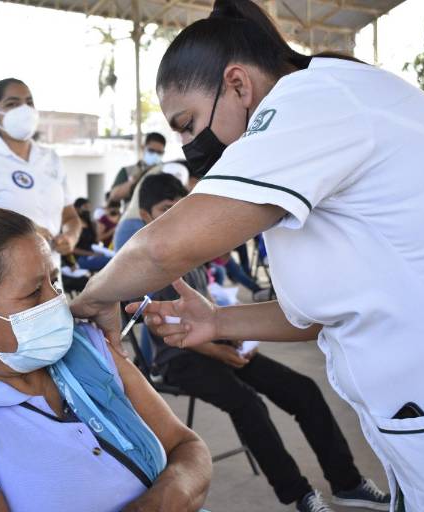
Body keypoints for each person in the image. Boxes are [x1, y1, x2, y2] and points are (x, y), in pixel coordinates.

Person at [70, 2, 424, 511]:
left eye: (187, 125)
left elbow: (162, 248)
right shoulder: (328, 113)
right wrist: (217, 320)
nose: (188, 146)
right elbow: (329, 313)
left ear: (238, 85)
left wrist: (93, 298)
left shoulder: (310, 100)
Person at [0, 207, 211, 512]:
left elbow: (187, 447)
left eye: (54, 281)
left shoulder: (88, 348)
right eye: (34, 293)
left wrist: (165, 499)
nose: (58, 302)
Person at [139, 173, 389, 511]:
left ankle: (348, 482)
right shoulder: (147, 261)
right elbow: (160, 329)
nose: (172, 215)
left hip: (216, 344)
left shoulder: (187, 250)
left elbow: (207, 308)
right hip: (179, 360)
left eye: (178, 207)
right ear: (145, 216)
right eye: (164, 209)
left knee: (303, 389)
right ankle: (300, 495)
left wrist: (232, 339)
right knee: (248, 404)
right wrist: (221, 352)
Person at [0, 78, 81, 265]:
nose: (24, 110)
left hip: (51, 274)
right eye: (12, 104)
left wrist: (70, 236)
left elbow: (70, 216)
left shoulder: (51, 159)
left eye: (29, 102)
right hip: (3, 276)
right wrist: (22, 230)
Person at [113, 161, 190, 251]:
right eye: (166, 209)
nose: (175, 214)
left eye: (179, 207)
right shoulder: (134, 232)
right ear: (145, 215)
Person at [109, 132, 167, 206]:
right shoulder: (128, 171)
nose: (155, 155)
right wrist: (136, 180)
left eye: (159, 152)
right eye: (151, 151)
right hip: (134, 215)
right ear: (143, 148)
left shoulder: (167, 171)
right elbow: (114, 196)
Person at [72, 197, 111, 272]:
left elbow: (95, 241)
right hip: (79, 258)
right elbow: (72, 249)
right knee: (110, 262)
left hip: (91, 254)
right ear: (76, 209)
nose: (88, 210)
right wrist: (91, 254)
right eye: (85, 207)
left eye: (89, 207)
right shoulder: (73, 225)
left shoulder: (90, 224)